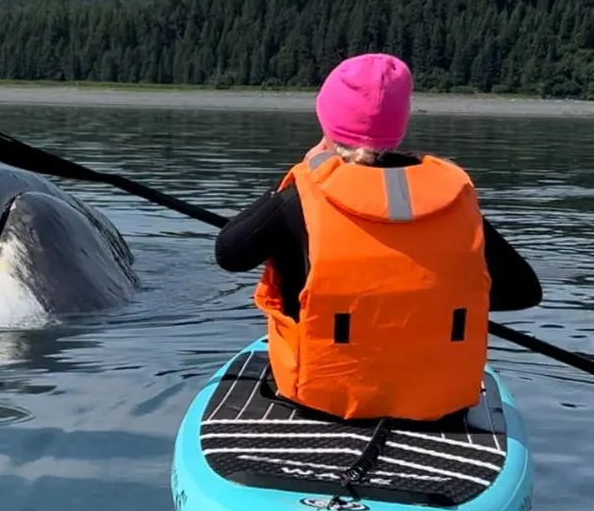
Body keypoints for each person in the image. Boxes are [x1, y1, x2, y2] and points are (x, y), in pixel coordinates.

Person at [215, 53, 542, 422]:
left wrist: (293, 182)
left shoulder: (302, 196)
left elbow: (230, 253)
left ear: (327, 122)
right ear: (399, 127)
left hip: (319, 401)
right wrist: (423, 306)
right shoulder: (453, 198)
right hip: (440, 406)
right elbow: (524, 292)